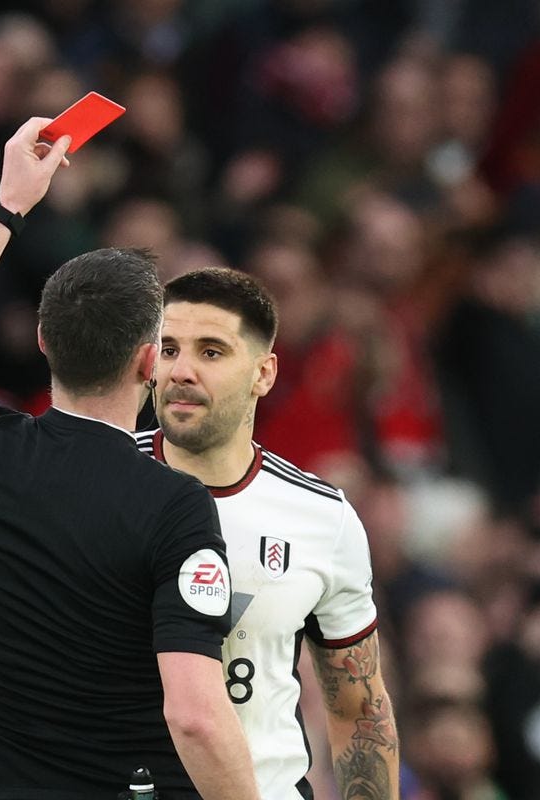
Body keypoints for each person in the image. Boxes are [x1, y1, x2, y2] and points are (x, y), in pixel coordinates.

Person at [0, 119, 259, 800]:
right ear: (151, 361)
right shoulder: (174, 505)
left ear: (41, 340)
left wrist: (6, 209)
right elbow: (197, 717)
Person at [139, 267, 399, 799]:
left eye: (211, 352)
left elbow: (359, 710)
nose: (182, 370)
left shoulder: (321, 518)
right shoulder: (90, 479)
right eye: (168, 350)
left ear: (264, 373)